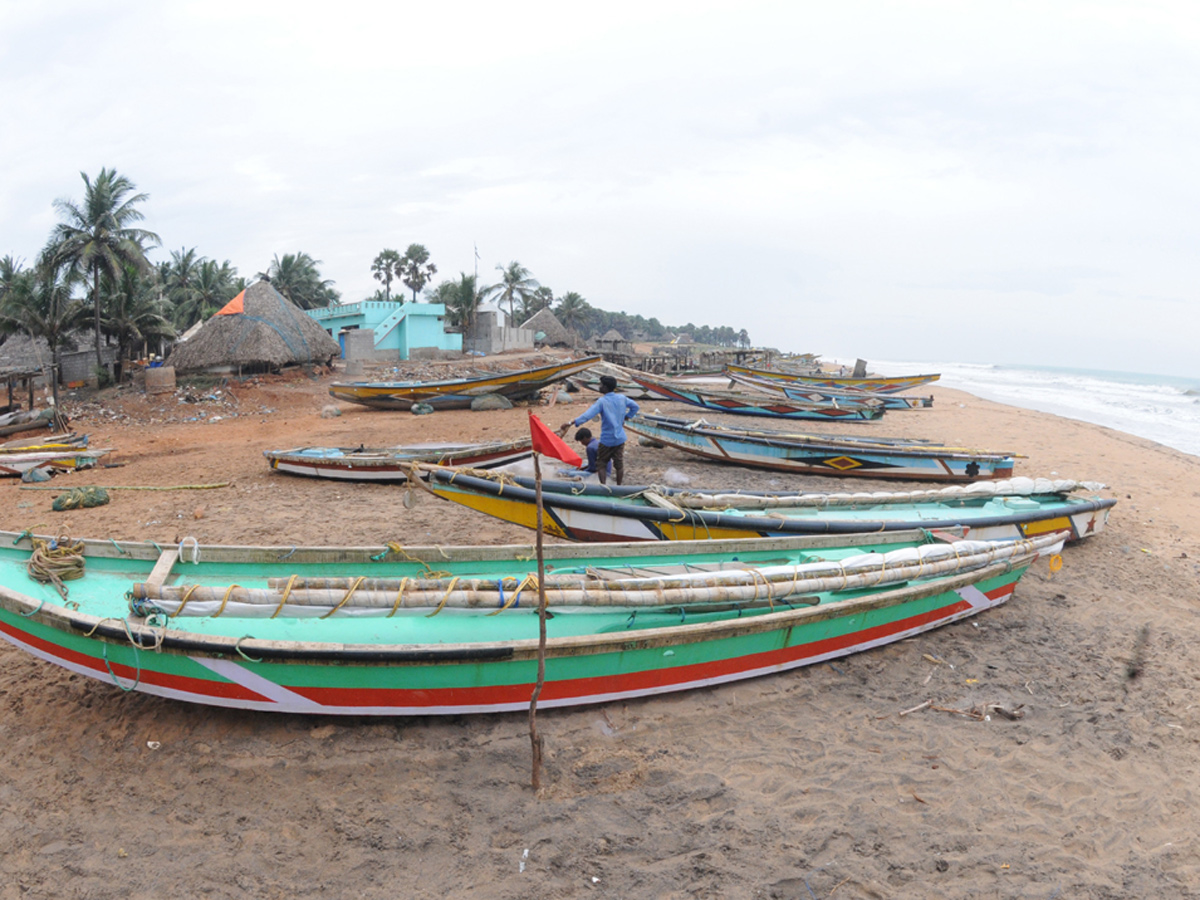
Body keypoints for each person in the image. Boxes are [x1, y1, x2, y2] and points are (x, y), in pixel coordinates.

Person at [561, 374, 639, 485]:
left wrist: (570, 423)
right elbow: (635, 407)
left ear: (606, 387)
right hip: (620, 438)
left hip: (607, 439)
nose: (599, 387)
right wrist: (627, 417)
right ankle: (619, 486)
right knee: (619, 464)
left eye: (601, 385)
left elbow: (587, 415)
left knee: (601, 463)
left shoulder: (602, 401)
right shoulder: (622, 398)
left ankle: (603, 486)